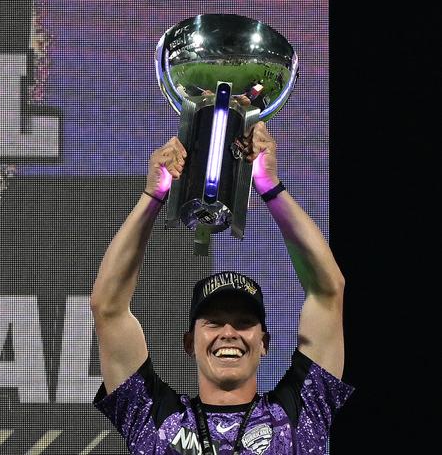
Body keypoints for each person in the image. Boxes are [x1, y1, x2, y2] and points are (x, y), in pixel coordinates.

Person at [90, 100, 354, 454]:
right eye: (213, 322)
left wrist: (270, 186)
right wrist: (153, 196)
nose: (229, 333)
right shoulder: (154, 420)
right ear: (189, 342)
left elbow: (328, 291)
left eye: (244, 322)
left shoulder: (297, 418)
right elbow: (108, 307)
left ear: (264, 343)